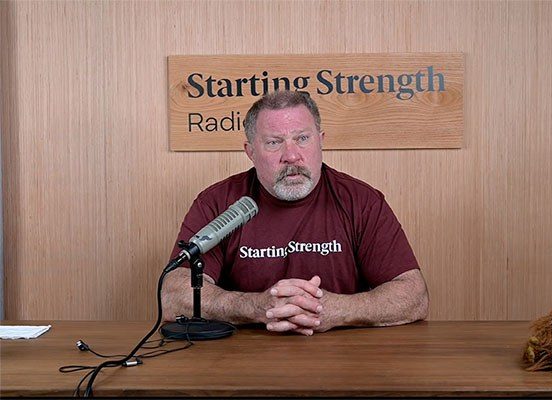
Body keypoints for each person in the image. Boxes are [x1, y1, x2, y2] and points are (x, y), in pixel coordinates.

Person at [162, 90, 429, 336]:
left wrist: (338, 310)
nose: (292, 155)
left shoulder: (360, 201)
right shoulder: (219, 202)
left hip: (346, 364)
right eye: (274, 142)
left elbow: (414, 295)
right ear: (250, 151)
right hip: (240, 365)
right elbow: (174, 295)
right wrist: (257, 306)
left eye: (302, 138)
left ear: (321, 141)